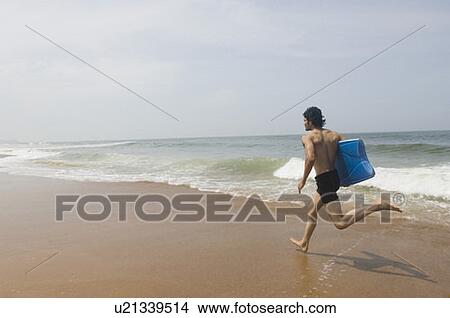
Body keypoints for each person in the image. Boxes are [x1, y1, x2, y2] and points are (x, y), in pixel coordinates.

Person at [290, 106, 402, 252]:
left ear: (311, 121)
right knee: (312, 211)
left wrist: (303, 180)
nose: (304, 123)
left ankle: (377, 205)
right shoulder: (335, 135)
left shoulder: (308, 137)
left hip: (325, 181)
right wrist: (348, 176)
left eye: (305, 120)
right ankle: (304, 242)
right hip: (334, 177)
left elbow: (311, 158)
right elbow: (348, 154)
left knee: (340, 223)